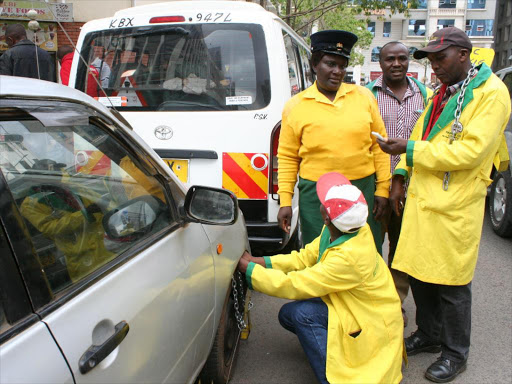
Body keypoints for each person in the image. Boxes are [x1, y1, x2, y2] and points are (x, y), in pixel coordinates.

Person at [375, 27, 511, 382]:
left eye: (440, 58)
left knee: (451, 283)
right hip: (423, 200)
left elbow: (470, 152)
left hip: (455, 204)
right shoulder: (442, 92)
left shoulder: (491, 94)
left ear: (463, 54)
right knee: (420, 274)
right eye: (431, 59)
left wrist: (408, 151)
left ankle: (455, 353)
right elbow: (420, 134)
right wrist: (400, 176)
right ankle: (430, 334)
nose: (433, 66)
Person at [238, 172, 404, 384]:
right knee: (289, 314)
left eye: (324, 201)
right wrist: (261, 262)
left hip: (370, 321)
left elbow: (297, 283)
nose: (321, 199)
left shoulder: (349, 257)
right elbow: (306, 257)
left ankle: (334, 378)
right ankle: (334, 347)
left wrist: (250, 271)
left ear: (326, 216)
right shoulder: (347, 228)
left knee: (302, 315)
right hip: (358, 307)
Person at [277, 30, 390, 253]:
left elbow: (380, 146)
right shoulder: (296, 105)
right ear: (314, 64)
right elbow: (288, 157)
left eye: (342, 65)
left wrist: (382, 191)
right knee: (320, 253)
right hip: (316, 194)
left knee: (365, 252)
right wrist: (285, 202)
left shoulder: (364, 97)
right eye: (330, 64)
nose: (337, 71)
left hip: (362, 188)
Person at [366, 41, 433, 326]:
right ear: (380, 63)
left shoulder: (427, 96)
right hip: (374, 189)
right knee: (369, 247)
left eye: (402, 58)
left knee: (402, 250)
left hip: (412, 189)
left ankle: (394, 305)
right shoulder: (364, 96)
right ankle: (370, 303)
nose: (396, 64)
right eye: (389, 59)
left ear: (409, 62)